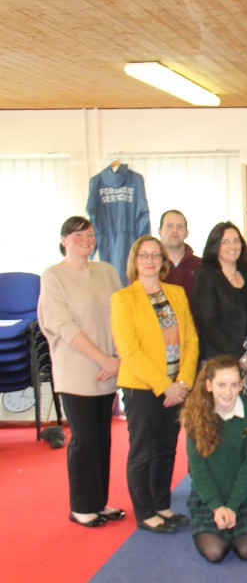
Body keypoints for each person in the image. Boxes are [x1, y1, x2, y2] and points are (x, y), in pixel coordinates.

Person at [38, 216, 124, 527]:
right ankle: (81, 507)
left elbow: (121, 316)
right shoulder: (53, 276)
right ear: (63, 240)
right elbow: (64, 326)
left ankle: (98, 502)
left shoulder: (106, 271)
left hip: (109, 368)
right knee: (84, 439)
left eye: (89, 233)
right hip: (77, 370)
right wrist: (103, 359)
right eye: (76, 235)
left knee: (103, 438)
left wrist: (117, 358)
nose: (85, 239)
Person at [111, 234, 199, 533]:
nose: (150, 260)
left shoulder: (176, 293)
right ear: (134, 261)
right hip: (142, 388)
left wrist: (184, 381)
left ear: (163, 261)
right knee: (142, 451)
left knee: (166, 448)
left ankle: (162, 505)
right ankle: (146, 513)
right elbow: (129, 351)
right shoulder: (123, 299)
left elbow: (191, 340)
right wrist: (165, 385)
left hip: (178, 386)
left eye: (155, 255)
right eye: (144, 255)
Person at [181, 356, 247, 562]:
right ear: (209, 385)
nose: (227, 392)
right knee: (215, 552)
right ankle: (216, 518)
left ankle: (237, 519)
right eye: (221, 385)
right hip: (210, 496)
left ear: (242, 385)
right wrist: (217, 507)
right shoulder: (195, 415)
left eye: (233, 385)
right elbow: (198, 470)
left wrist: (233, 505)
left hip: (246, 495)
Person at [191, 222, 247, 402]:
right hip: (222, 356)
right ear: (214, 246)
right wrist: (242, 357)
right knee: (224, 410)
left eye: (236, 240)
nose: (232, 246)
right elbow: (209, 326)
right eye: (225, 242)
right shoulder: (206, 277)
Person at [158, 210, 201, 297]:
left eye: (180, 226)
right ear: (160, 231)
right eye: (169, 226)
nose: (175, 230)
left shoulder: (200, 265)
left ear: (186, 233)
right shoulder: (149, 265)